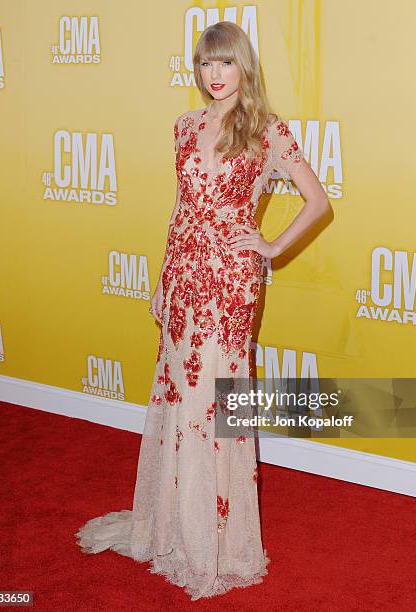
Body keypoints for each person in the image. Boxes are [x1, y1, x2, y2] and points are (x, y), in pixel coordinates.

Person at [75, 21, 331, 601]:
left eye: (224, 64)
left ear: (244, 66)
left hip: (232, 284)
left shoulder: (267, 130)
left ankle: (216, 542)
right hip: (187, 275)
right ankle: (173, 527)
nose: (214, 76)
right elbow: (179, 209)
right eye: (205, 65)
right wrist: (166, 279)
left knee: (215, 402)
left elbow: (318, 201)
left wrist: (268, 248)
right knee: (180, 396)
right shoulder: (185, 126)